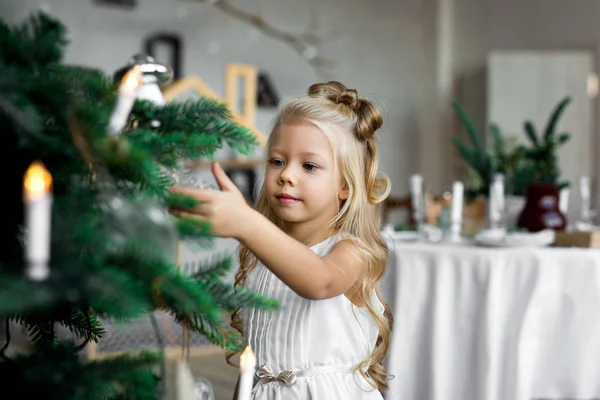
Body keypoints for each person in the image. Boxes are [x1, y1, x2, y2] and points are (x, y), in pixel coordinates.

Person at [170, 81, 393, 399]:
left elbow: (319, 281)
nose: (287, 174)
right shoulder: (263, 258)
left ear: (345, 185)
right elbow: (254, 365)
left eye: (309, 165)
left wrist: (247, 223)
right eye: (277, 161)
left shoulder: (351, 252)